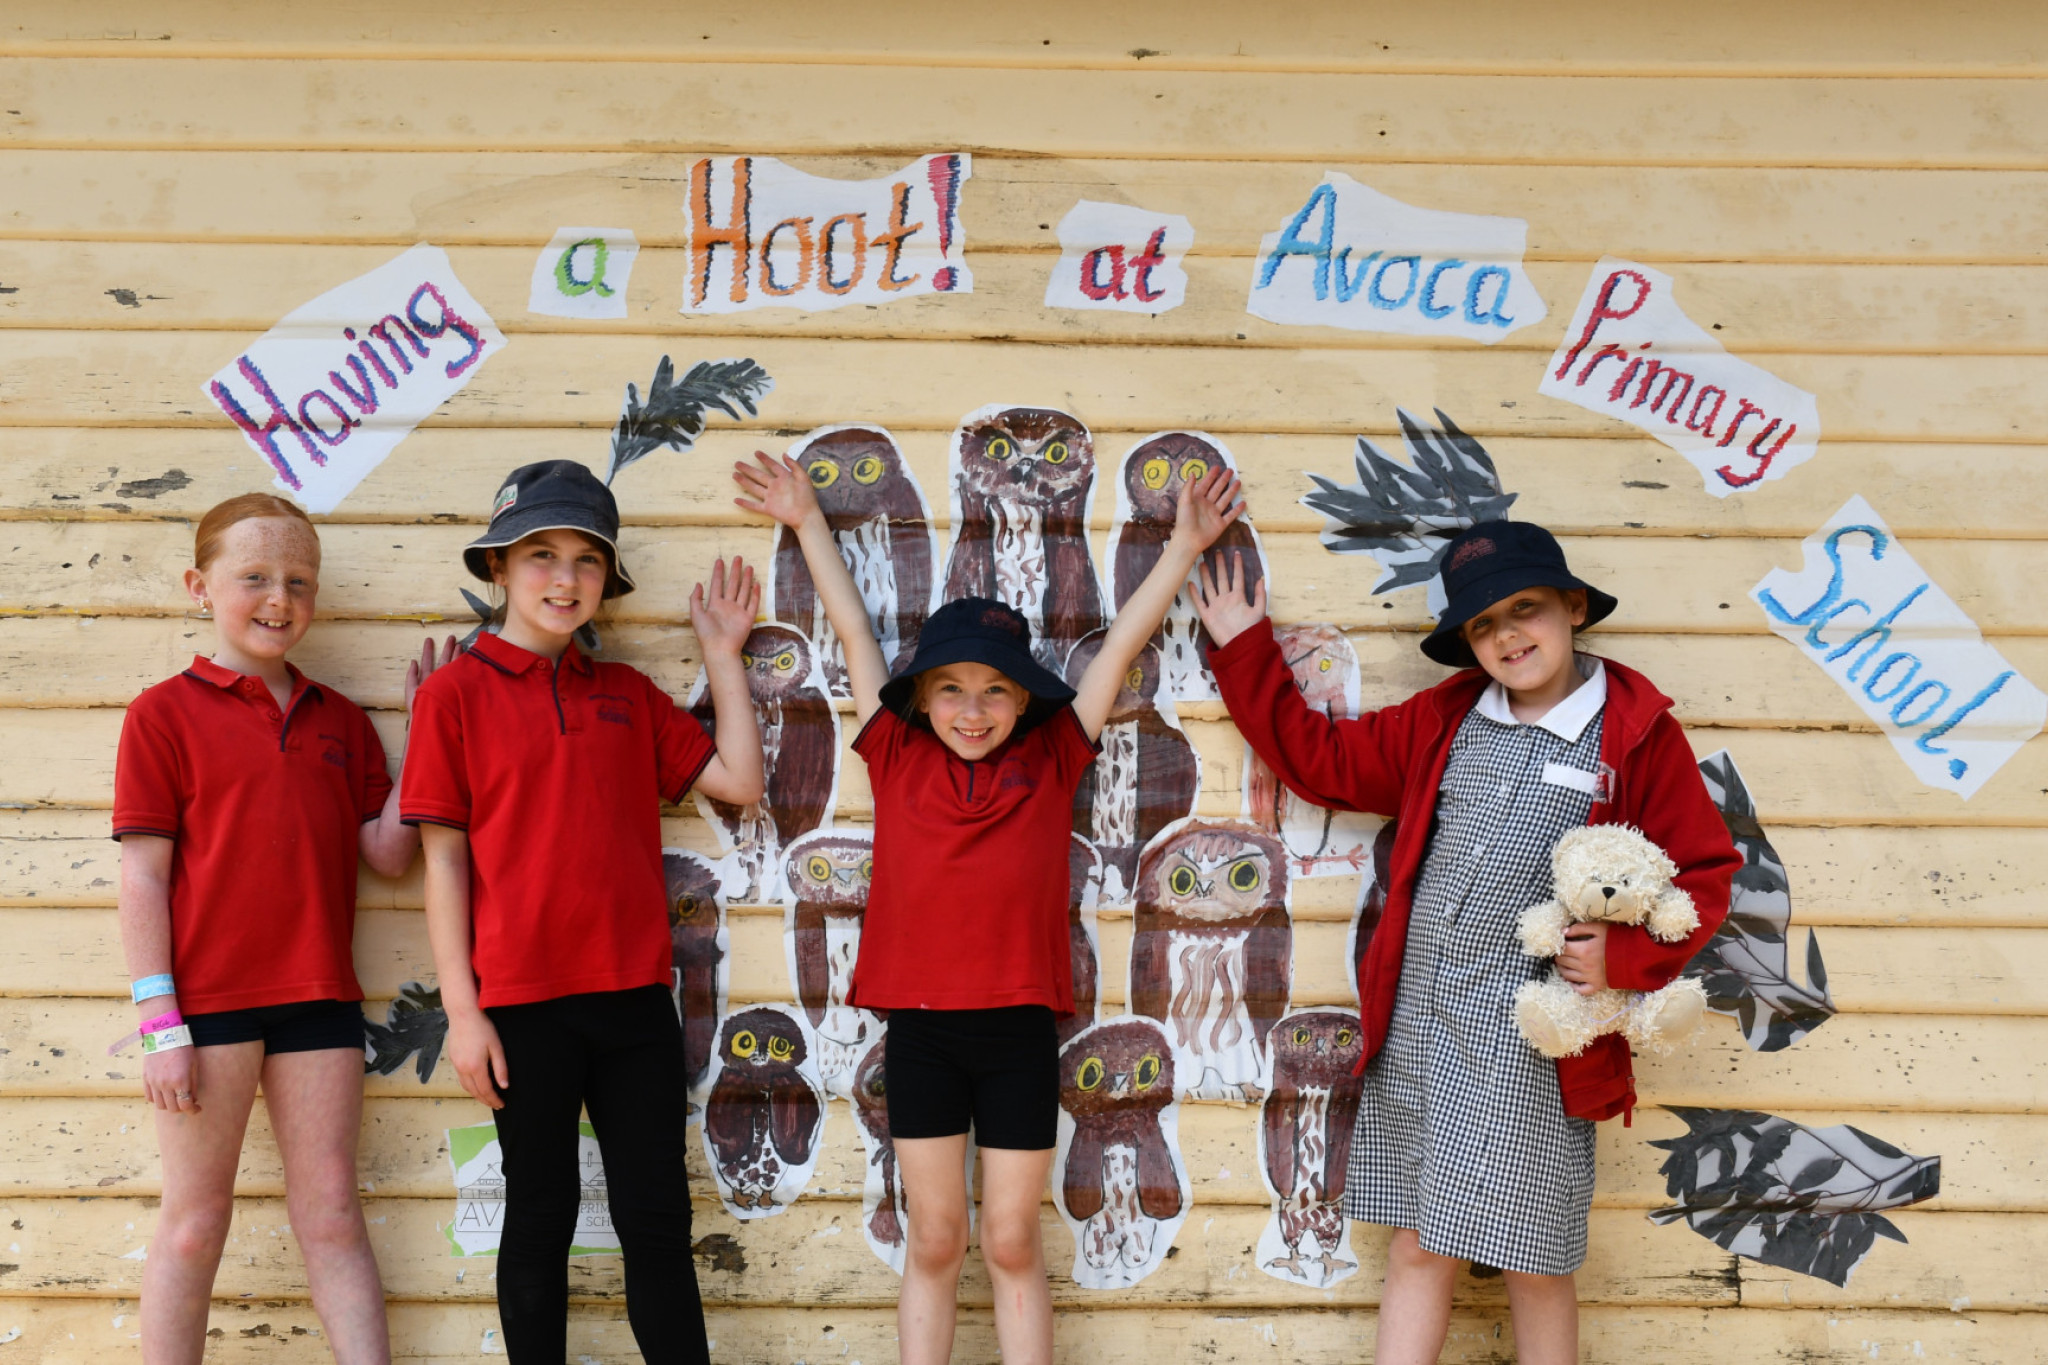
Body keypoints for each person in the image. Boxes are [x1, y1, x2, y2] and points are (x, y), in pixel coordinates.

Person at [734, 447, 1243, 1364]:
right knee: (935, 1241)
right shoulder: (894, 751)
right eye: (953, 690)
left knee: (1010, 1240)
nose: (974, 710)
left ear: (1024, 699)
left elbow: (1121, 643)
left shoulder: (1052, 758)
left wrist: (1180, 549)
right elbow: (854, 635)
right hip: (923, 1034)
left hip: (1015, 1034)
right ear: (922, 699)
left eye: (996, 691)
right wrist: (807, 519)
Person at [1191, 519, 1739, 1365]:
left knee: (1537, 1254)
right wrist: (1243, 649)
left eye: (1526, 609)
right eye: (1483, 624)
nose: (1508, 635)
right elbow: (1322, 763)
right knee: (1419, 1240)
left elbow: (1702, 873)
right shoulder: (1447, 719)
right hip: (1428, 1020)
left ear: (1574, 607)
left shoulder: (1632, 731)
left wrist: (1622, 961)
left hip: (1533, 1034)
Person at [402, 461, 765, 1365]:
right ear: (498, 568)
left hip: (635, 1002)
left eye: (585, 560)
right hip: (521, 1006)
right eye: (539, 555)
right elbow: (442, 863)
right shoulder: (453, 697)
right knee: (539, 1216)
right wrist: (464, 1013)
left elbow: (742, 786)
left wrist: (722, 657)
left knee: (655, 1219)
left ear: (606, 579)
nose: (564, 579)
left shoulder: (628, 695)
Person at [115, 493, 446, 1365]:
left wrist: (427, 734)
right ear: (200, 586)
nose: (279, 598)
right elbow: (143, 877)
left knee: (333, 1215)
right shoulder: (161, 715)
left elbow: (385, 853)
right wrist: (160, 1026)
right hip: (207, 1009)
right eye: (254, 577)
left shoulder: (340, 720)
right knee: (195, 1225)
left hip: (318, 1004)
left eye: (299, 580)